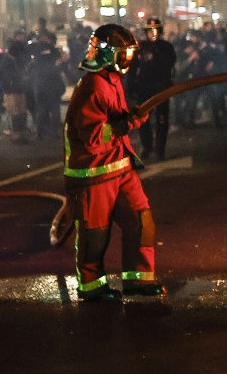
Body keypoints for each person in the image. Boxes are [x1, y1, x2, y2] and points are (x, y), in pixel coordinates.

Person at [64, 24, 161, 301]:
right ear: (107, 54)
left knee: (141, 220)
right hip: (92, 171)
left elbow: (114, 119)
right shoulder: (92, 86)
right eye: (123, 54)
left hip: (119, 165)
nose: (127, 60)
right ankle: (92, 286)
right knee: (95, 234)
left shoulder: (110, 79)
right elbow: (92, 134)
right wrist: (126, 123)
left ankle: (138, 280)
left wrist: (127, 118)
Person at [126, 18, 179, 161]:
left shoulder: (167, 47)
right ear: (146, 32)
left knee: (162, 120)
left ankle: (159, 149)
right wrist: (130, 86)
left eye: (156, 30)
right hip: (144, 88)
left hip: (161, 87)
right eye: (150, 31)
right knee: (143, 120)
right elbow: (132, 68)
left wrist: (157, 53)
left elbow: (170, 64)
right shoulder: (140, 48)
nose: (153, 34)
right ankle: (147, 146)